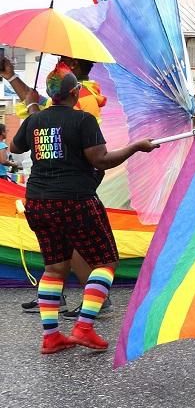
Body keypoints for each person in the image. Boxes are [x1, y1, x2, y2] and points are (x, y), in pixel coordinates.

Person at [10, 66, 157, 353]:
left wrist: (33, 114)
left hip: (38, 202)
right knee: (106, 261)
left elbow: (15, 147)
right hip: (75, 199)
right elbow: (101, 160)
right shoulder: (84, 120)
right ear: (75, 93)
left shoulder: (35, 120)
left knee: (54, 268)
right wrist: (136, 147)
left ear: (52, 95)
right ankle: (84, 327)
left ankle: (51, 337)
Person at [1, 58, 114, 316]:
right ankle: (59, 299)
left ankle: (95, 300)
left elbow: (43, 118)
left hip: (71, 186)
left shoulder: (84, 102)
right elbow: (38, 107)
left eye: (60, 60)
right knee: (58, 251)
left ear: (72, 66)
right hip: (53, 188)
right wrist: (11, 77)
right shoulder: (70, 97)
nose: (56, 64)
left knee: (74, 246)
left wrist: (33, 111)